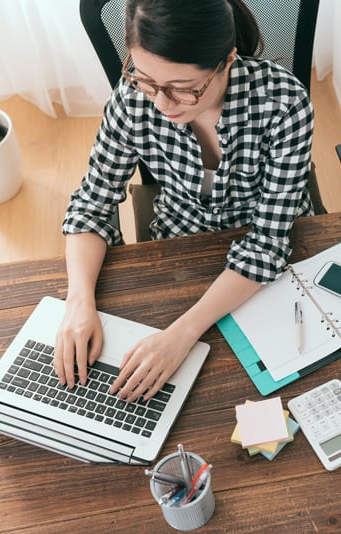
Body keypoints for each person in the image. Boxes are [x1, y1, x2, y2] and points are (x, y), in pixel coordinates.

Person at [54, 0, 314, 403]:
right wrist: (78, 301)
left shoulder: (284, 104)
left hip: (264, 274)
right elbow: (91, 204)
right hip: (181, 250)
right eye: (144, 78)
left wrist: (182, 334)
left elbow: (267, 244)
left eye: (183, 88)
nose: (161, 103)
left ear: (226, 60)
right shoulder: (133, 99)